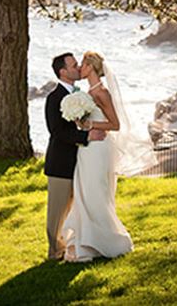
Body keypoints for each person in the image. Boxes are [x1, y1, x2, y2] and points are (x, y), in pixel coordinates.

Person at [61, 51, 135, 262]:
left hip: (99, 149)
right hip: (86, 149)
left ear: (91, 67)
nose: (79, 69)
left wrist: (90, 125)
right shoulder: (85, 95)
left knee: (96, 193)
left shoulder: (101, 93)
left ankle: (107, 240)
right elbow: (85, 123)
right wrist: (80, 123)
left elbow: (115, 124)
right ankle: (87, 239)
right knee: (84, 191)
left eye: (82, 65)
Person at [44, 52, 106, 261]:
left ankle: (71, 245)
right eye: (73, 65)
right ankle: (54, 252)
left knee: (73, 209)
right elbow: (57, 132)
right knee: (57, 211)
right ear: (63, 72)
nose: (78, 67)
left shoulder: (79, 94)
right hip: (60, 162)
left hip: (79, 162)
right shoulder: (55, 98)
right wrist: (87, 135)